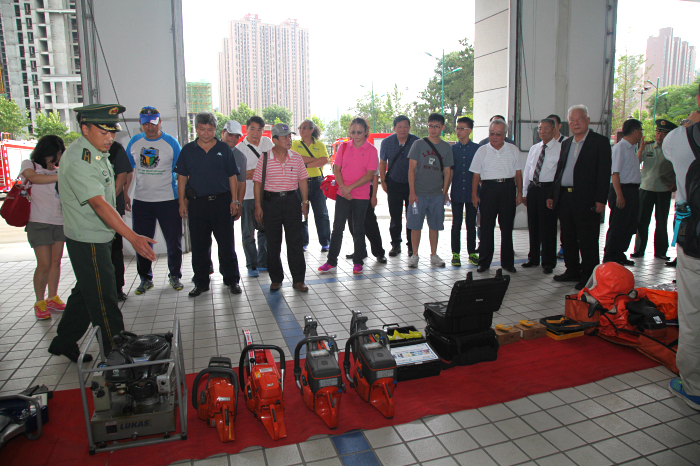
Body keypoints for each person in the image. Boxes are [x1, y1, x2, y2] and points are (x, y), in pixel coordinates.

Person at [48, 104, 156, 362]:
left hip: (97, 235)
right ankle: (117, 355)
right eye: (103, 132)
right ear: (85, 129)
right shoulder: (80, 160)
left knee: (87, 291)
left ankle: (63, 342)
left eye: (112, 132)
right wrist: (132, 236)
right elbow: (99, 203)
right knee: (104, 298)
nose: (110, 138)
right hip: (88, 239)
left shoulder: (96, 152)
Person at [175, 111, 241, 297]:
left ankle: (232, 280)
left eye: (210, 129)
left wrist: (235, 200)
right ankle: (201, 282)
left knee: (226, 244)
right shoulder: (188, 150)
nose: (206, 133)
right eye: (202, 129)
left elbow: (232, 176)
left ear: (215, 130)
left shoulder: (224, 149)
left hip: (222, 203)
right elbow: (182, 178)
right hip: (197, 205)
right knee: (199, 245)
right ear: (196, 129)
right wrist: (182, 203)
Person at [663, 86, 700, 411]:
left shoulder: (682, 139)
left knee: (693, 316)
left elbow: (667, 148)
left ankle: (695, 387)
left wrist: (690, 121)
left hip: (696, 245)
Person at [547, 104, 612, 290]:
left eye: (579, 119)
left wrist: (601, 199)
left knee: (587, 239)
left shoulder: (599, 142)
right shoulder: (566, 143)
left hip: (587, 198)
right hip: (565, 197)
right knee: (567, 237)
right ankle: (572, 270)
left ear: (588, 120)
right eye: (572, 120)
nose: (575, 123)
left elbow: (604, 173)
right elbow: (559, 171)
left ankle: (589, 275)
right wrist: (552, 195)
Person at [126, 106, 183, 294]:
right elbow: (128, 170)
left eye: (153, 123)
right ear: (140, 124)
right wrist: (126, 193)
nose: (150, 127)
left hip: (168, 200)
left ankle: (174, 275)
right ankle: (145, 278)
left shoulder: (171, 143)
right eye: (146, 124)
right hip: (142, 201)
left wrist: (182, 200)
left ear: (160, 122)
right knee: (142, 242)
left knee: (173, 241)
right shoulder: (134, 142)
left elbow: (181, 174)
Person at [253, 123, 309, 291]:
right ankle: (276, 279)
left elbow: (302, 181)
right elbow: (257, 183)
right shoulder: (265, 158)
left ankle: (298, 280)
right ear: (275, 139)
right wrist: (258, 206)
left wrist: (305, 202)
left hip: (292, 201)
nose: (288, 140)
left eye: (290, 137)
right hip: (271, 203)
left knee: (295, 241)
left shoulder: (296, 157)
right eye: (284, 137)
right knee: (273, 242)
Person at [319, 118, 378, 274]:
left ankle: (358, 262)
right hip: (343, 193)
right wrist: (344, 189)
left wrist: (349, 188)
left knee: (358, 228)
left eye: (359, 132)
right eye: (353, 132)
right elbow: (336, 170)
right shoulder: (344, 147)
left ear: (366, 132)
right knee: (337, 228)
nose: (356, 135)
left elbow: (369, 175)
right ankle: (331, 261)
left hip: (361, 196)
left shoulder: (372, 150)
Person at [20, 135, 67, 319]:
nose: (58, 157)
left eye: (60, 153)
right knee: (44, 264)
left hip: (59, 222)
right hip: (38, 222)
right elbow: (32, 178)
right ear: (47, 151)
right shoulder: (30, 165)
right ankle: (39, 302)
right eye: (57, 153)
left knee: (56, 262)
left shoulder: (58, 170)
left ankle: (52, 298)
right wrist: (61, 175)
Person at [470, 119, 522, 273]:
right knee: (486, 227)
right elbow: (475, 175)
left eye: (498, 134)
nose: (494, 137)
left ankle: (507, 263)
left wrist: (520, 193)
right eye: (492, 133)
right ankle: (484, 262)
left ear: (505, 134)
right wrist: (474, 195)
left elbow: (518, 173)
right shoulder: (482, 150)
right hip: (488, 189)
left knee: (507, 227)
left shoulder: (513, 150)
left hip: (508, 188)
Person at [407, 113, 453, 268]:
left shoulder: (446, 147)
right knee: (415, 225)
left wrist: (444, 192)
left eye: (437, 126)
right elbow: (411, 169)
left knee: (434, 225)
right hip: (418, 194)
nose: (433, 129)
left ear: (442, 127)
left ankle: (434, 254)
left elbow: (448, 172)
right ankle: (414, 255)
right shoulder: (418, 144)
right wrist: (412, 192)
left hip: (436, 194)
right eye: (430, 126)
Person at [631, 119, 677, 260]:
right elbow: (636, 162)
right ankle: (639, 250)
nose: (659, 136)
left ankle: (661, 251)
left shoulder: (673, 150)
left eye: (663, 133)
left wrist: (675, 182)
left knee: (662, 222)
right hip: (646, 188)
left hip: (663, 189)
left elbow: (678, 167)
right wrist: (641, 149)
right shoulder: (648, 146)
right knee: (642, 221)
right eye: (658, 132)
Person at [522, 118, 561, 274]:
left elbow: (559, 175)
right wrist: (525, 192)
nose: (542, 131)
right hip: (534, 189)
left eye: (546, 128)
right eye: (540, 128)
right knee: (533, 225)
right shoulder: (534, 148)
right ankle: (533, 258)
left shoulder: (560, 148)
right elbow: (527, 170)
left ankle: (548, 261)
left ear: (554, 130)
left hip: (548, 190)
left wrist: (554, 194)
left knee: (548, 226)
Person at [603, 119, 643, 266]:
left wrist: (641, 149)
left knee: (629, 225)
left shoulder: (631, 148)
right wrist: (619, 195)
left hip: (632, 190)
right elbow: (615, 173)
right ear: (635, 131)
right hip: (622, 190)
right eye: (641, 131)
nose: (641, 134)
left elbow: (633, 166)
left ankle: (619, 253)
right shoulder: (620, 148)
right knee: (618, 225)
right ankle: (610, 255)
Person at [379, 115, 420, 256]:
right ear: (394, 128)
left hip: (412, 186)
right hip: (393, 183)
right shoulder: (387, 142)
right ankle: (396, 245)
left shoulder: (417, 142)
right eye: (399, 127)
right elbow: (382, 163)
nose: (402, 129)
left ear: (409, 127)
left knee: (412, 216)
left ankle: (411, 246)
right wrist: (383, 181)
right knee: (395, 216)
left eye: (405, 126)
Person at [238, 116, 271, 276]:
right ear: (246, 129)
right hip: (247, 196)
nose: (256, 133)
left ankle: (263, 262)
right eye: (252, 129)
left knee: (265, 230)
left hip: (267, 194)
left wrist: (254, 172)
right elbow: (236, 174)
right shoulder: (240, 148)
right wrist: (247, 173)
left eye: (259, 129)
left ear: (263, 131)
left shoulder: (267, 143)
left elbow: (274, 163)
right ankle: (251, 265)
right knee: (248, 232)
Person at [292, 119, 331, 252]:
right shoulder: (295, 144)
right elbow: (295, 158)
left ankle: (325, 242)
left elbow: (324, 160)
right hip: (300, 183)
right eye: (300, 128)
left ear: (311, 130)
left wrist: (305, 164)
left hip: (317, 183)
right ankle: (303, 242)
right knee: (302, 213)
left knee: (322, 213)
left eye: (304, 127)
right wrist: (315, 160)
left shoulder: (320, 145)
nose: (301, 130)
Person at [450, 117, 480, 267]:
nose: (458, 131)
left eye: (462, 128)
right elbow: (449, 171)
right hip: (456, 191)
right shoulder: (453, 149)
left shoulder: (477, 149)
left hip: (472, 192)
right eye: (457, 128)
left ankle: (472, 253)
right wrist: (445, 191)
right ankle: (455, 254)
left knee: (471, 224)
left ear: (470, 131)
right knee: (456, 223)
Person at [108, 141, 133, 301]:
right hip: (89, 214)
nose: (108, 137)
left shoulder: (115, 148)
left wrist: (108, 201)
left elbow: (124, 175)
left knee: (115, 251)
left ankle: (117, 288)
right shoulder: (79, 150)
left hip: (112, 209)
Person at [345, 168, 386, 263]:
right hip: (350, 190)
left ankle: (379, 252)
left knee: (370, 224)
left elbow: (375, 176)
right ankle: (360, 251)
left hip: (366, 189)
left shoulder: (370, 157)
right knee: (352, 224)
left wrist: (374, 196)